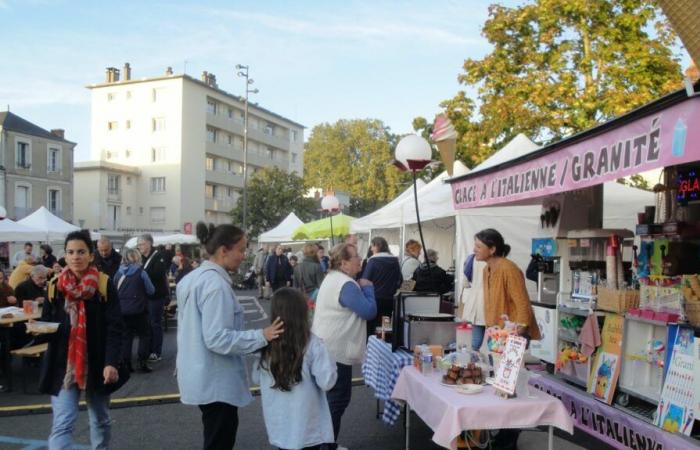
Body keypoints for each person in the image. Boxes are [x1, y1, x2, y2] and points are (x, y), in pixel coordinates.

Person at [176, 222, 284, 450]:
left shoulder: (192, 279)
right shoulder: (216, 286)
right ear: (224, 250)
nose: (244, 256)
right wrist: (262, 336)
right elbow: (217, 338)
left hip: (199, 374)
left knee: (215, 436)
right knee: (219, 441)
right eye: (242, 250)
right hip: (215, 380)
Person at [37, 229, 124, 450]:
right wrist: (39, 329)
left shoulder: (103, 285)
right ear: (65, 256)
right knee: (62, 423)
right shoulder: (55, 286)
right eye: (71, 252)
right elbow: (47, 321)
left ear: (90, 255)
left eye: (81, 251)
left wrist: (111, 362)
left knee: (100, 420)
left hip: (96, 362)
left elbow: (115, 327)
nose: (76, 256)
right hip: (64, 364)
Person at [474, 228, 540, 450]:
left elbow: (522, 305)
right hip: (497, 333)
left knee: (511, 388)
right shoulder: (487, 270)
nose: (475, 250)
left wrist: (517, 336)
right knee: (502, 386)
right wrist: (493, 332)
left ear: (492, 249)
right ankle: (504, 436)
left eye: (479, 246)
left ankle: (508, 439)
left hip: (513, 334)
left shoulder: (509, 268)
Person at [253, 288, 337, 450]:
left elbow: (257, 378)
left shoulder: (265, 344)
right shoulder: (312, 343)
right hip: (307, 426)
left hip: (279, 424)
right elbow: (327, 382)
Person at [312, 243, 376, 449]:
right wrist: (368, 289)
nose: (360, 259)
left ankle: (327, 443)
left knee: (330, 400)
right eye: (356, 256)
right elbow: (368, 311)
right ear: (344, 263)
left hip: (326, 347)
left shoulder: (333, 278)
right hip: (335, 352)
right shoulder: (346, 284)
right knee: (337, 400)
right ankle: (326, 445)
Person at [115, 248, 155, 373]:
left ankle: (126, 363)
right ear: (137, 257)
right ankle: (142, 362)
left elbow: (113, 291)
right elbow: (151, 290)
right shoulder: (141, 272)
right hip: (140, 310)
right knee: (144, 335)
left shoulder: (118, 273)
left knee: (126, 337)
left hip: (122, 310)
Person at [137, 234, 170, 363]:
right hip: (145, 296)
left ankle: (156, 351)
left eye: (142, 244)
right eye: (139, 245)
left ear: (150, 243)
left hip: (156, 296)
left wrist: (142, 273)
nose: (140, 247)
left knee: (155, 323)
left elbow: (158, 274)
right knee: (147, 324)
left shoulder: (158, 256)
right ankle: (148, 349)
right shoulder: (142, 258)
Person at [361, 237, 401, 336]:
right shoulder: (395, 261)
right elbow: (400, 280)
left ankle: (371, 349)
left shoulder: (373, 261)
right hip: (390, 300)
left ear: (378, 246)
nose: (371, 249)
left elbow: (365, 280)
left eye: (372, 246)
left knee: (372, 329)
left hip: (375, 299)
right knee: (386, 329)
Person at [461, 253, 487, 351]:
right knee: (496, 338)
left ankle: (472, 360)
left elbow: (465, 283)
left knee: (476, 339)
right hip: (489, 300)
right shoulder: (496, 261)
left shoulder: (471, 258)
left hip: (475, 300)